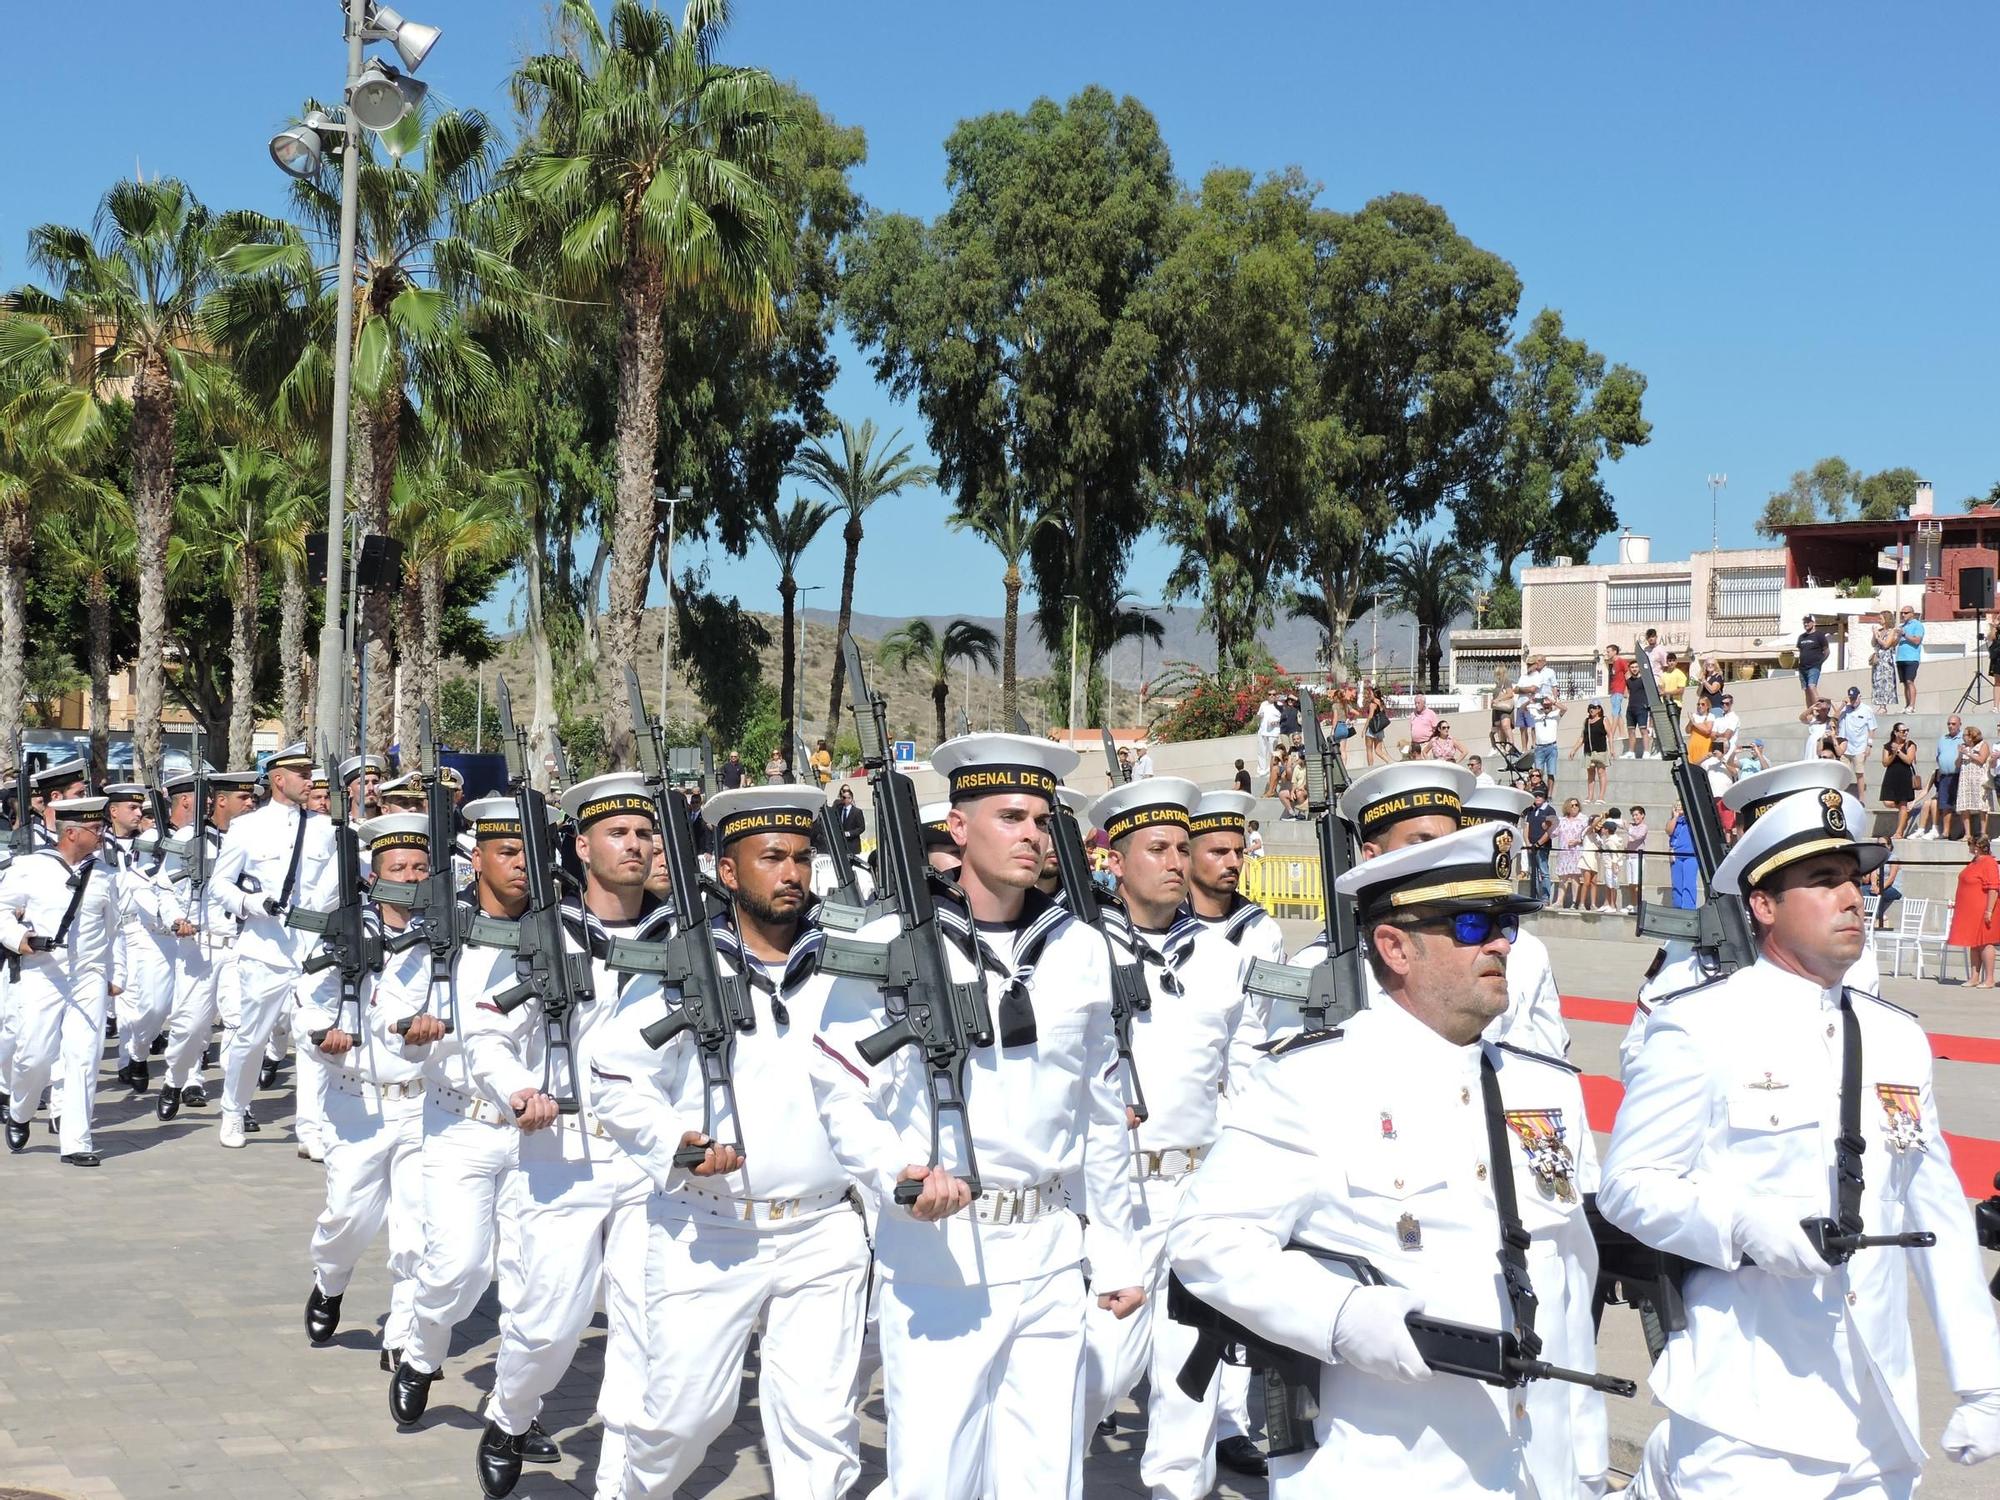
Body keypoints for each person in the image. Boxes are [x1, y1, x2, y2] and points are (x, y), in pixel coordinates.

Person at [1169, 822, 1603, 1500]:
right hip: (1387, 1470)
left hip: (1535, 1473)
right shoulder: (1313, 1082)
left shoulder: (1545, 1084)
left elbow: (1574, 1282)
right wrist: (1346, 1317)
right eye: (1469, 925)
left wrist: (1583, 1464)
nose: (1498, 944)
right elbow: (1205, 1241)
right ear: (1394, 946)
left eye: (1505, 925)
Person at [1599, 785, 2000, 1495]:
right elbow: (1629, 1186)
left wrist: (1982, 1377)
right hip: (1747, 1418)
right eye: (1823, 881)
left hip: (1875, 1419)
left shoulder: (1897, 1037)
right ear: (1763, 906)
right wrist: (1746, 1226)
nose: (1853, 897)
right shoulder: (1699, 1026)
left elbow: (1936, 1213)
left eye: (1855, 878)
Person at [805, 733, 1145, 1499]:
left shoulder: (1080, 948)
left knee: (1045, 1483)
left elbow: (1100, 1111)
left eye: (1041, 818)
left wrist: (1119, 1248)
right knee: (938, 1481)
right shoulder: (891, 944)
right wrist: (894, 1171)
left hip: (1052, 1253)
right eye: (1011, 816)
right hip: (941, 1256)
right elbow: (837, 1083)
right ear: (958, 829)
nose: (1032, 834)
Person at [588, 783, 869, 1498]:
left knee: (821, 1430)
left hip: (822, 1230)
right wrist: (675, 1140)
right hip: (708, 1229)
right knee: (683, 1420)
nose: (792, 875)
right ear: (727, 871)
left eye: (802, 858)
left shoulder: (847, 969)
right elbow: (613, 1073)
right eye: (771, 857)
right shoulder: (683, 965)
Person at [459, 773, 668, 1498]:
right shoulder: (543, 934)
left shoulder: (684, 938)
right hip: (561, 1155)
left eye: (644, 833)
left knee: (646, 1328)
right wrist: (514, 1088)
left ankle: (617, 1483)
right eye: (618, 834)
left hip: (650, 1165)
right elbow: (486, 1028)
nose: (635, 846)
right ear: (582, 847)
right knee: (549, 1326)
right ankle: (511, 1415)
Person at [1080, 778, 1264, 1498]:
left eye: (1182, 848)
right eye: (1156, 848)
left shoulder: (1223, 959)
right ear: (1115, 862)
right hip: (1112, 1191)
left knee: (1192, 1381)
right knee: (1098, 1370)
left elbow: (1244, 1073)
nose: (1175, 862)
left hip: (1197, 1189)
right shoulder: (1079, 951)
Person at [384, 795, 559, 1477]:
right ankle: (423, 1354)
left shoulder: (560, 931)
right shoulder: (441, 935)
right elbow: (389, 1019)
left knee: (528, 1282)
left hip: (540, 1135)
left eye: (531, 853)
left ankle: (517, 1410)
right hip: (461, 1123)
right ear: (477, 857)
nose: (522, 865)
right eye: (509, 852)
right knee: (458, 1270)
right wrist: (414, 1033)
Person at [298, 813, 431, 1368]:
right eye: (397, 867)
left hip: (425, 1103)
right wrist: (321, 1036)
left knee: (417, 1231)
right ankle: (330, 1281)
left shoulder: (448, 936)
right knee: (348, 1219)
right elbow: (310, 999)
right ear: (374, 877)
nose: (409, 876)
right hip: (358, 1103)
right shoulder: (346, 930)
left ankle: (402, 1333)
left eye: (420, 867)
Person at [208, 742, 337, 1152]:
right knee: (251, 1038)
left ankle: (310, 1130)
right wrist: (251, 903)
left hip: (312, 952)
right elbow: (219, 885)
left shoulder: (327, 829)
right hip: (265, 949)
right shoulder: (248, 828)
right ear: (279, 779)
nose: (310, 781)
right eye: (302, 774)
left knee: (314, 1039)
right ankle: (233, 1109)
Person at [1, 795, 124, 1166]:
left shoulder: (105, 875)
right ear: (70, 833)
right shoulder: (29, 867)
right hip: (44, 972)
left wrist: (116, 974)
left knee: (83, 1056)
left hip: (88, 976)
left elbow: (116, 929)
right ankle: (20, 1110)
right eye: (96, 829)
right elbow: (2, 908)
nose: (102, 835)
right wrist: (17, 938)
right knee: (33, 1056)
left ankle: (77, 1141)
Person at [1948, 834, 2000, 987]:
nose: (1969, 847)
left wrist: (1989, 910)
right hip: (1971, 911)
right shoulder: (1975, 861)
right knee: (1974, 943)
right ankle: (1974, 977)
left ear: (1977, 847)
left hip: (1983, 908)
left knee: (1985, 942)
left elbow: (1993, 887)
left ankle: (1989, 978)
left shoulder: (1989, 862)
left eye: (1970, 845)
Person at [1836, 686, 1877, 794]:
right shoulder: (1846, 709)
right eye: (1851, 698)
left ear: (1860, 696)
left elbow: (1872, 729)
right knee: (1843, 774)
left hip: (1859, 747)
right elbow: (1834, 718)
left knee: (1859, 773)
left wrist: (1869, 746)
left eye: (1855, 698)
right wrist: (1842, 705)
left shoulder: (1866, 710)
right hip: (1845, 748)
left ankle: (1861, 799)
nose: (1853, 701)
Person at [1881, 723, 1919, 836]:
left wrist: (1898, 751)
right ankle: (1905, 811)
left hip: (1905, 776)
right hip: (1891, 775)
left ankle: (1899, 832)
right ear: (1896, 732)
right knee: (1887, 802)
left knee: (1903, 804)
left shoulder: (1910, 745)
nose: (1905, 733)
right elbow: (1885, 762)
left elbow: (1908, 760)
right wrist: (1893, 753)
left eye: (1907, 730)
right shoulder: (1887, 746)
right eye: (1903, 731)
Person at [1569, 701, 1610, 802]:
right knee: (1590, 773)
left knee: (1601, 772)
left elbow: (1610, 734)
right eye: (1590, 707)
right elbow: (1582, 737)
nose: (1592, 709)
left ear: (1599, 709)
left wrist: (1612, 749)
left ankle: (1601, 797)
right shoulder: (1586, 721)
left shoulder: (1603, 720)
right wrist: (1574, 749)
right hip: (1589, 751)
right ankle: (1590, 796)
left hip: (1600, 750)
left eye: (1594, 707)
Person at [1525, 783, 1556, 904]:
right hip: (1531, 845)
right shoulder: (1531, 810)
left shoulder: (1550, 810)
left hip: (1542, 847)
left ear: (1545, 797)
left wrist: (1538, 844)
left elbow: (1550, 830)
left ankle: (1545, 897)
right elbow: (1526, 826)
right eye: (1535, 795)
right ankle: (1535, 896)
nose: (1537, 797)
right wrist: (1528, 843)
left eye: (1540, 795)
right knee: (1534, 872)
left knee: (1544, 872)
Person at [1960, 724, 1992, 844]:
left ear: (1971, 736)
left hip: (1978, 777)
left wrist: (1968, 753)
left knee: (1982, 806)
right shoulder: (1963, 746)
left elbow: (1981, 759)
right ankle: (1967, 833)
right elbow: (1958, 764)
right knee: (1964, 805)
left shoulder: (1983, 745)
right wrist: (1960, 754)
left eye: (1965, 735)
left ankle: (1983, 832)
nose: (1963, 737)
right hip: (1965, 777)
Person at [1553, 796, 1585, 909]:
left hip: (1576, 851)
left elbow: (1587, 835)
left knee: (1576, 877)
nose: (1575, 807)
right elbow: (1553, 833)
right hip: (1564, 852)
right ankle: (1559, 901)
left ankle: (1574, 902)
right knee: (1563, 877)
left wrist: (1578, 841)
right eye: (1572, 805)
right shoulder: (1561, 820)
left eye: (1577, 805)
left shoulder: (1583, 819)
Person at [1795, 611, 1830, 708]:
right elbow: (1801, 651)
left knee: (1812, 686)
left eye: (1808, 622)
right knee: (1806, 690)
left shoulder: (1819, 635)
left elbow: (1826, 651)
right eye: (1804, 622)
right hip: (1802, 668)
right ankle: (1811, 713)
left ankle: (1819, 711)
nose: (1806, 624)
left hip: (1814, 667)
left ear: (1813, 623)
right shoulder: (1801, 637)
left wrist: (1819, 663)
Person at [1866, 839, 1904, 931]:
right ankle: (1872, 915)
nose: (1881, 846)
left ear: (1889, 846)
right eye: (1878, 844)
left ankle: (1877, 915)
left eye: (1883, 844)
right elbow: (1874, 873)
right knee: (1862, 889)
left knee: (1872, 892)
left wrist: (1880, 888)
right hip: (1880, 887)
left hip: (1893, 889)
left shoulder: (1893, 858)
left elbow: (1891, 878)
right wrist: (1874, 885)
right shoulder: (1877, 858)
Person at [1529, 694, 1565, 787]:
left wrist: (1553, 701)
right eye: (1545, 706)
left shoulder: (1555, 714)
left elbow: (1564, 709)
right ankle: (1538, 792)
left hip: (1551, 747)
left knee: (1551, 773)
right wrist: (1533, 701)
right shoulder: (1536, 714)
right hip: (1539, 747)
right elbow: (1524, 708)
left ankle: (1549, 795)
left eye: (1548, 706)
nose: (1546, 708)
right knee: (1537, 773)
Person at [1895, 603, 1925, 709]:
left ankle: (1912, 705)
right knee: (1904, 683)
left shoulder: (1917, 625)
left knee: (1910, 681)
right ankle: (1907, 705)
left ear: (1912, 614)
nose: (1903, 615)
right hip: (1900, 658)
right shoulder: (1902, 626)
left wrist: (1904, 635)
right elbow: (1896, 642)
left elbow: (1917, 640)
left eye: (1906, 613)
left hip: (1911, 658)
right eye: (1902, 613)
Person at [1870, 610, 1899, 709]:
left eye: (1881, 618)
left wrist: (1878, 637)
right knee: (1877, 681)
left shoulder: (1891, 631)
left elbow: (1886, 644)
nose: (1879, 620)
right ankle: (1879, 704)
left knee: (1885, 682)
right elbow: (1873, 644)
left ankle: (1884, 706)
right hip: (1878, 659)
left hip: (1886, 660)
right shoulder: (1880, 630)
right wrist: (1875, 635)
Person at [1622, 806, 1649, 913]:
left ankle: (1638, 905)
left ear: (1642, 815)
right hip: (1629, 857)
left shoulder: (1644, 827)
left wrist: (1628, 828)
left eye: (1637, 815)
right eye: (1633, 815)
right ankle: (1632, 904)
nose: (1635, 817)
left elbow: (1638, 836)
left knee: (1637, 883)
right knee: (1631, 884)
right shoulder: (1631, 826)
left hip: (1638, 858)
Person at [832, 782, 865, 859]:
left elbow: (861, 828)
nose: (843, 800)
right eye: (842, 797)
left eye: (845, 798)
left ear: (850, 799)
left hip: (852, 844)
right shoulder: (839, 809)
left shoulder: (857, 811)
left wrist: (849, 833)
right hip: (841, 845)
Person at [1490, 666, 1518, 752]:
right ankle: (1502, 747)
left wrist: (1499, 699)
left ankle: (1511, 745)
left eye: (1498, 674)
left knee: (1505, 726)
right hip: (1497, 708)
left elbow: (1510, 694)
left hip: (1504, 708)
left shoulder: (1506, 681)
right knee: (1499, 728)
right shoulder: (1497, 684)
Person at [1254, 692, 1282, 777]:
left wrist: (1276, 721)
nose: (1271, 696)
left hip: (1273, 732)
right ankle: (1262, 770)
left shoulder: (1279, 705)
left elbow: (1284, 717)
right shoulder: (1263, 704)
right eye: (1269, 694)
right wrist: (1259, 716)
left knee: (1273, 752)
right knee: (1262, 752)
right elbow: (1259, 715)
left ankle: (1273, 770)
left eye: (1273, 694)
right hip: (1263, 731)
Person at [1708, 692, 1741, 760]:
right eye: (1722, 703)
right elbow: (1712, 735)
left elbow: (1727, 737)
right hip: (1716, 753)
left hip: (1729, 754)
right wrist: (1721, 734)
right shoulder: (1718, 719)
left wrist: (1717, 734)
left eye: (1727, 703)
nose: (1724, 705)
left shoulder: (1734, 718)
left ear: (1731, 704)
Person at [1363, 685, 1390, 767]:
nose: (1369, 695)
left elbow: (1370, 716)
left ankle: (1370, 767)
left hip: (1372, 729)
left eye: (1370, 694)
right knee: (1378, 750)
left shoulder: (1372, 704)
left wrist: (1364, 729)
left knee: (1369, 750)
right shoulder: (1381, 703)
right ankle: (1389, 762)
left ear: (1374, 694)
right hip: (1380, 729)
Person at [1605, 645, 1629, 732]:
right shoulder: (1614, 663)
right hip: (1614, 690)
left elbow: (1627, 673)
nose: (1607, 653)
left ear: (1615, 651)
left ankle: (1612, 733)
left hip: (1619, 690)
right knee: (1618, 713)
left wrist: (1626, 689)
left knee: (1615, 713)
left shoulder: (1621, 661)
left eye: (1609, 651)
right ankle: (1622, 733)